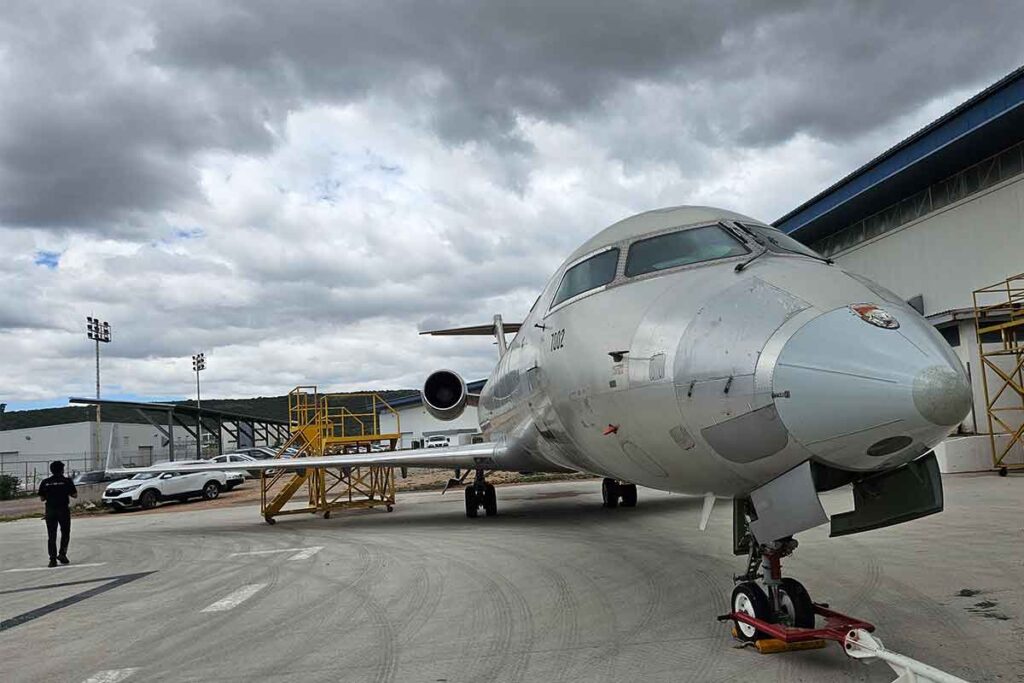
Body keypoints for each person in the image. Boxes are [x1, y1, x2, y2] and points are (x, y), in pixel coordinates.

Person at [38, 461, 77, 567]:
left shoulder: (45, 482)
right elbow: (74, 495)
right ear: (62, 470)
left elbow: (42, 498)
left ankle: (52, 559)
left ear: (51, 470)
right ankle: (62, 554)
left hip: (50, 510)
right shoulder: (66, 481)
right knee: (65, 532)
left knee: (51, 535)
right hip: (63, 509)